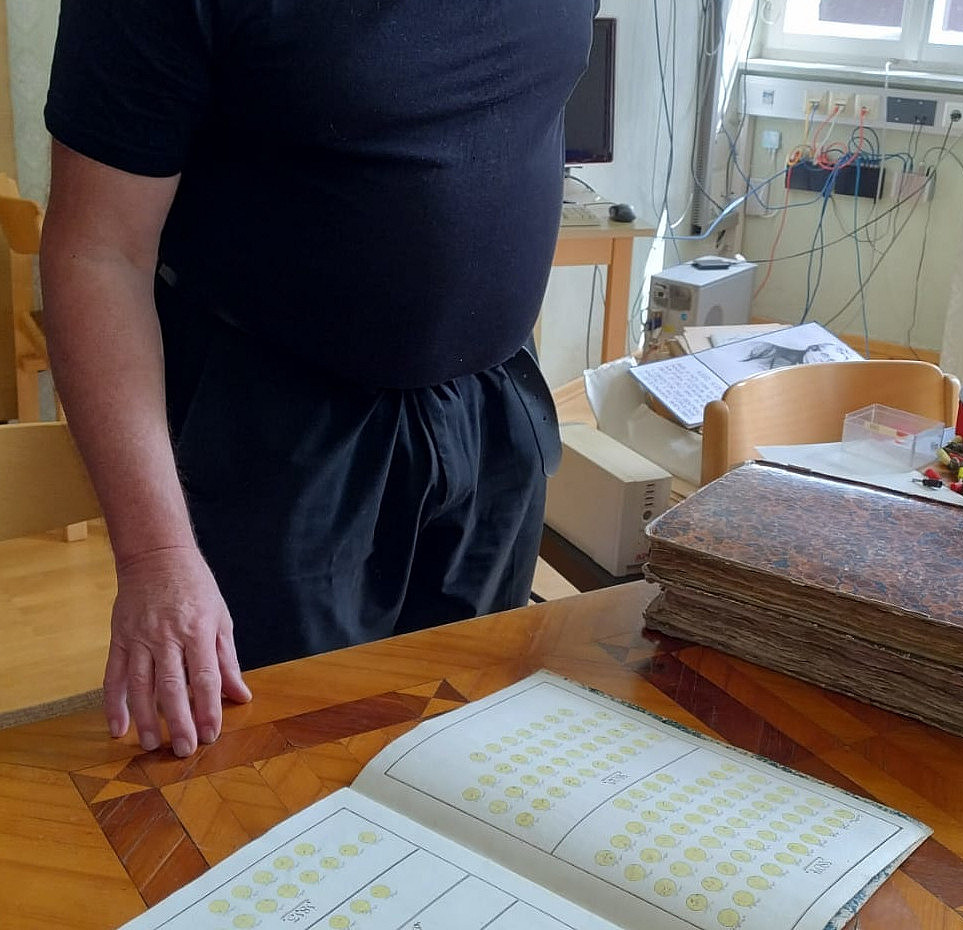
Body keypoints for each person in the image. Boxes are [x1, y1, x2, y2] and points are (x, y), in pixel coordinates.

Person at [40, 1, 596, 759]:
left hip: (492, 414)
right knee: (276, 768)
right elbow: (96, 254)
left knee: (466, 741)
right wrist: (156, 559)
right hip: (275, 436)